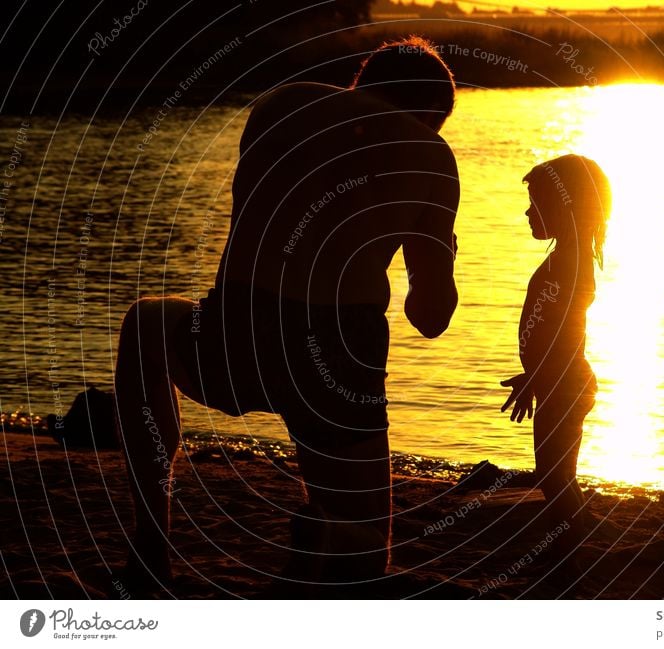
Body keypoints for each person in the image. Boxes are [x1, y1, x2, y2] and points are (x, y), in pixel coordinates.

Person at [114, 36, 459, 593]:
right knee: (369, 556)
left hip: (237, 333)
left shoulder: (281, 103)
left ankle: (151, 546)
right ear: (429, 115)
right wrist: (439, 249)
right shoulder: (431, 155)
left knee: (145, 325)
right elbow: (430, 316)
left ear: (361, 84)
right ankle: (328, 529)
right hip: (341, 353)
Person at [500, 154, 611, 566]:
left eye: (536, 202)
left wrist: (539, 376)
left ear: (566, 205)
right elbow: (550, 331)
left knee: (553, 474)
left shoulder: (572, 264)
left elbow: (567, 336)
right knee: (556, 474)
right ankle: (571, 541)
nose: (528, 211)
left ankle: (570, 549)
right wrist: (532, 375)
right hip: (556, 382)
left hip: (565, 385)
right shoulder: (568, 257)